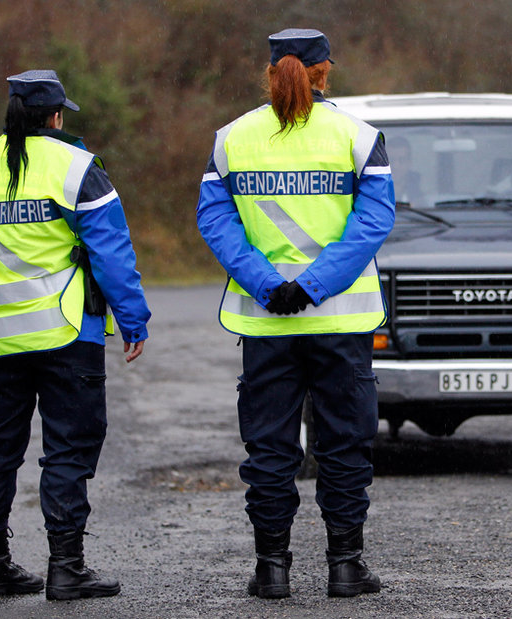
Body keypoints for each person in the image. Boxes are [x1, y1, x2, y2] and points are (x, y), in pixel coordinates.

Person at [196, 29, 395, 598]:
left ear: (270, 71)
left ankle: (273, 569)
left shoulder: (232, 139)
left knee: (270, 448)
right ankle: (345, 566)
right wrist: (314, 286)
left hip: (266, 323)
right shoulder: (358, 137)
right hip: (339, 320)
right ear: (325, 71)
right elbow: (372, 224)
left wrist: (270, 285)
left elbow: (216, 222)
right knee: (343, 445)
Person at [0, 69, 151, 599]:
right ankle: (67, 568)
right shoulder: (78, 169)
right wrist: (132, 320)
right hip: (66, 337)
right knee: (67, 451)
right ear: (56, 116)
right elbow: (111, 255)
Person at [387, 136, 424, 206]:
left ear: (409, 163)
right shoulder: (374, 193)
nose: (395, 166)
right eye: (391, 160)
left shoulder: (420, 196)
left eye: (402, 160)